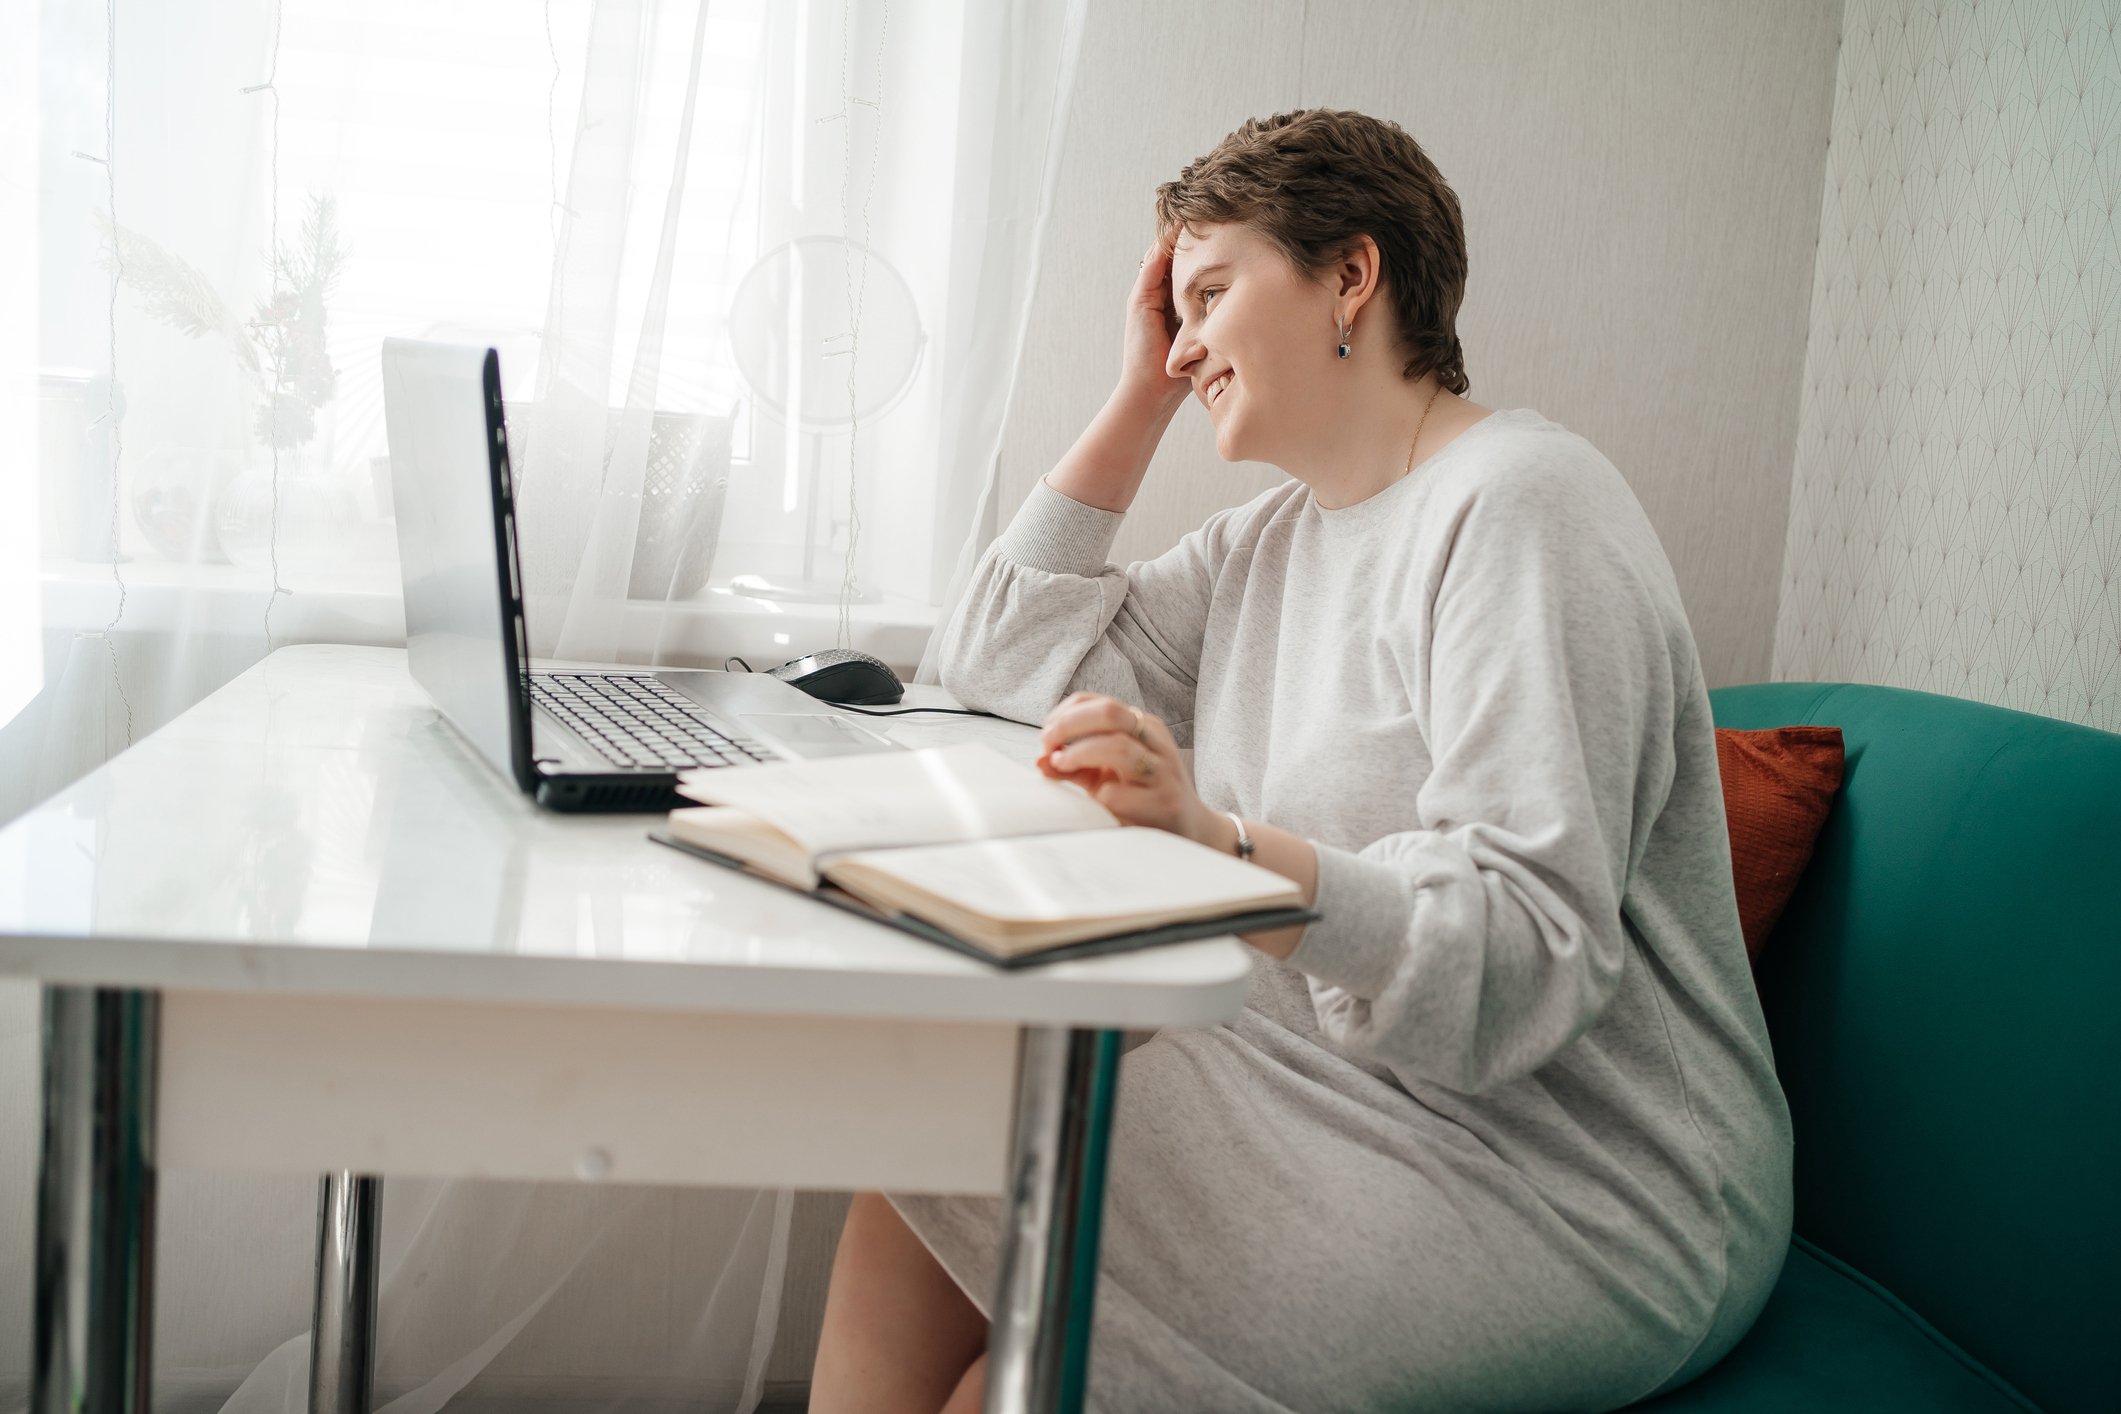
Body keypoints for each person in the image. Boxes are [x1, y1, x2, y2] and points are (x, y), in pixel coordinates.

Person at [809, 108, 1793, 1413]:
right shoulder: (1270, 541)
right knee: (945, 1126)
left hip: (1576, 1176)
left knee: (1012, 1371)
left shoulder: (1522, 508)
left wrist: (1214, 847)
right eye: (1176, 310)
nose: (1187, 336)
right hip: (1334, 1094)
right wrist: (1137, 396)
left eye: (1211, 293)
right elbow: (991, 665)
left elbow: (1526, 947)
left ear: (1349, 275)